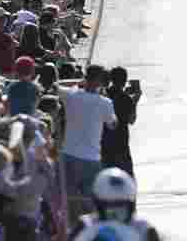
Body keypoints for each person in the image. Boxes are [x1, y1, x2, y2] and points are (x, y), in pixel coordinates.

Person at [57, 65, 118, 213]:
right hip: (91, 158)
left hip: (69, 155)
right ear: (101, 81)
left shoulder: (71, 95)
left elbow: (55, 85)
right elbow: (113, 125)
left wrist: (80, 81)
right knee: (91, 202)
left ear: (87, 77)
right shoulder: (105, 103)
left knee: (68, 200)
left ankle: (70, 229)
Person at [101, 66, 140, 179]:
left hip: (105, 142)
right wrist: (135, 101)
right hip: (121, 143)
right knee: (127, 177)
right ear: (124, 81)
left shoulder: (104, 95)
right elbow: (131, 120)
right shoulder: (126, 99)